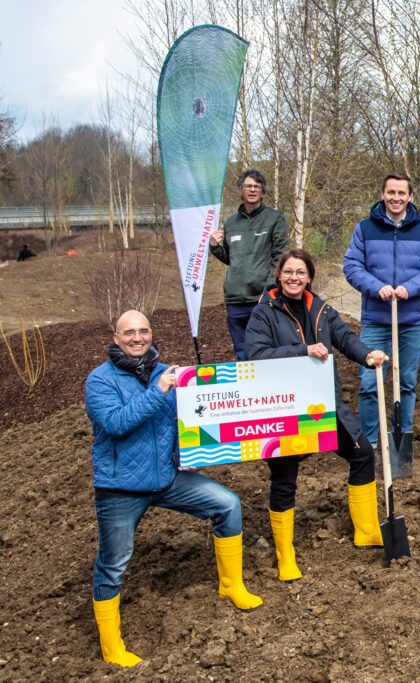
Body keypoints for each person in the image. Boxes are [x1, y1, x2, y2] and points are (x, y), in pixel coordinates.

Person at [85, 310, 262, 668]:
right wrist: (159, 390)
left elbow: (183, 420)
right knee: (114, 563)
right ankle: (111, 646)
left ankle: (231, 585)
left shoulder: (168, 372)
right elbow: (116, 423)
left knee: (227, 504)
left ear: (152, 334)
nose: (138, 338)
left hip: (166, 478)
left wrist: (189, 453)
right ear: (116, 338)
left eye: (144, 331)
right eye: (129, 332)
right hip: (120, 487)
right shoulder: (100, 380)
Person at [246, 249, 389, 581]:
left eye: (301, 273)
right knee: (284, 478)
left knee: (363, 454)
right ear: (279, 274)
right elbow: (253, 357)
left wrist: (368, 356)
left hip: (323, 405)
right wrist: (302, 350)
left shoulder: (321, 309)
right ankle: (285, 555)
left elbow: (344, 338)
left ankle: (366, 530)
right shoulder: (264, 312)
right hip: (284, 409)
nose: (294, 278)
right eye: (288, 272)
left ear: (309, 276)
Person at [343, 172, 420, 453]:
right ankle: (370, 444)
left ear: (410, 197)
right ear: (382, 194)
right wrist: (377, 288)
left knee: (407, 383)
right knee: (369, 382)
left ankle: (400, 442)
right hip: (376, 319)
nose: (396, 198)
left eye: (402, 193)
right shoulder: (365, 229)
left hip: (411, 320)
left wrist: (409, 289)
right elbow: (352, 265)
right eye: (391, 192)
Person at [211, 169, 290, 360]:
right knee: (242, 351)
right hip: (235, 299)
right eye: (248, 186)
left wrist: (268, 291)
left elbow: (279, 258)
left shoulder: (275, 219)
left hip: (261, 298)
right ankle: (248, 390)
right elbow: (232, 259)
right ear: (241, 189)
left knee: (266, 349)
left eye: (257, 186)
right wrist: (214, 247)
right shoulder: (231, 223)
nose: (252, 189)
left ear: (263, 191)